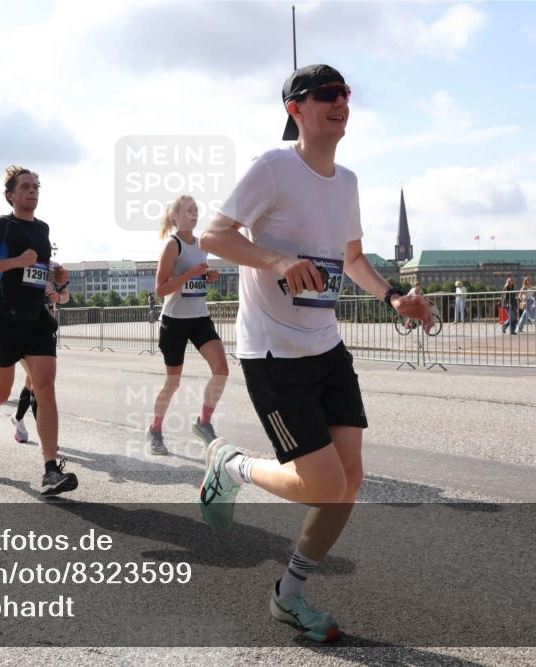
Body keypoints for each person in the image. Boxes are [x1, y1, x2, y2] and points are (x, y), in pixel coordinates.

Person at [199, 64, 432, 642]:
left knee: (349, 479)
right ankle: (231, 466)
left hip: (326, 347)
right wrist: (278, 261)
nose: (340, 102)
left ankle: (289, 595)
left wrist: (393, 296)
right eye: (326, 95)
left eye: (346, 94)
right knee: (325, 484)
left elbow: (351, 259)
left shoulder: (347, 181)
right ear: (295, 109)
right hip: (274, 354)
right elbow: (212, 235)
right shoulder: (274, 167)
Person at [0, 164, 77, 496]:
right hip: (6, 318)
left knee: (45, 387)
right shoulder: (1, 227)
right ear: (10, 195)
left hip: (38, 318)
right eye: (26, 187)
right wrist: (16, 262)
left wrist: (54, 275)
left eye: (36, 186)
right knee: (1, 392)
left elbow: (37, 270)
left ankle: (50, 470)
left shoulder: (43, 229)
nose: (32, 191)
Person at [146, 194, 228, 456]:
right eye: (189, 210)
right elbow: (160, 289)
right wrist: (191, 274)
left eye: (196, 210)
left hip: (199, 318)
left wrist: (208, 277)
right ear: (176, 216)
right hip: (175, 321)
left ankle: (203, 422)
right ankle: (155, 429)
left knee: (221, 369)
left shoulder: (202, 242)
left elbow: (199, 277)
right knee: (173, 382)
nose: (194, 214)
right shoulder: (173, 245)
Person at [11, 276, 69, 443]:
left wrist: (58, 297)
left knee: (33, 381)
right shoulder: (22, 260)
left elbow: (65, 295)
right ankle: (48, 442)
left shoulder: (55, 269)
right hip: (22, 329)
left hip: (45, 331)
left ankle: (18, 418)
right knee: (39, 385)